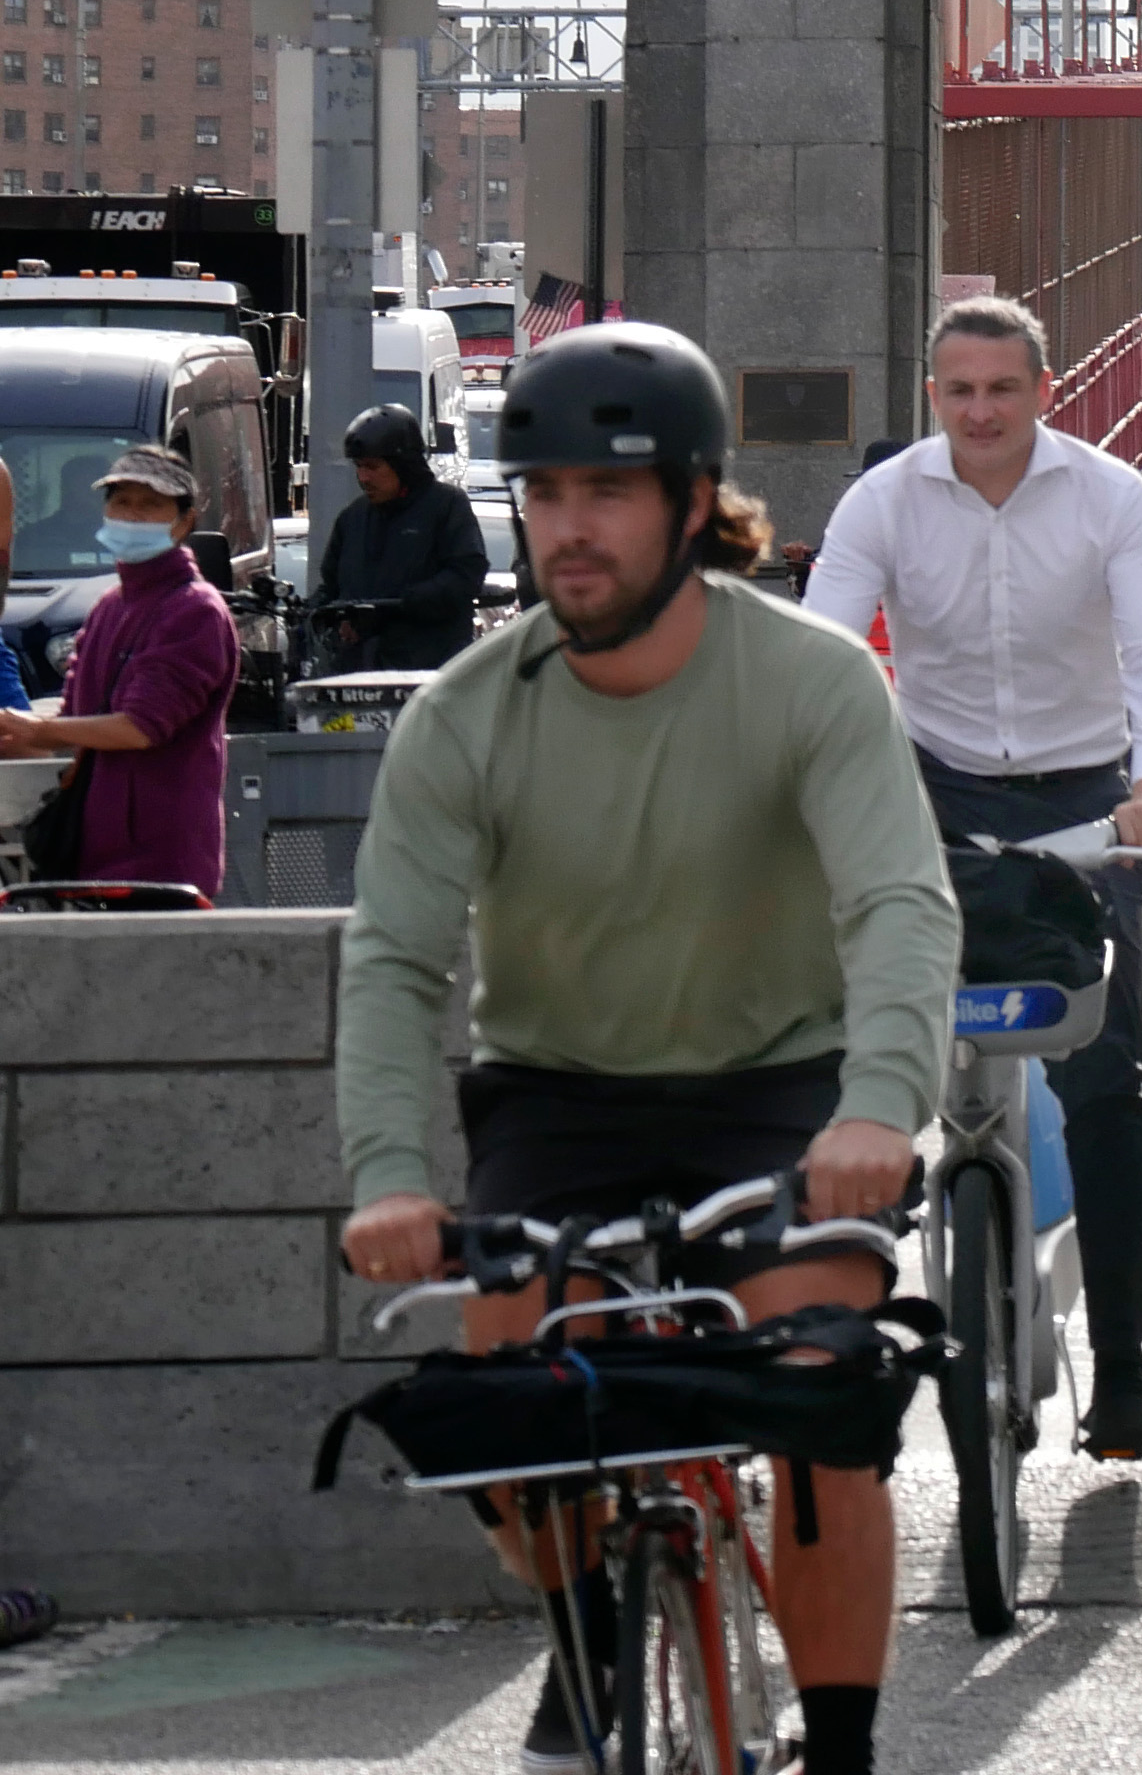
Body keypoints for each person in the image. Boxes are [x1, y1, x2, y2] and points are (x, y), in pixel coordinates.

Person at [332, 324, 958, 1775]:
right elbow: (395, 957)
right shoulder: (466, 716)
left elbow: (896, 906)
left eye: (605, 494)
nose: (570, 528)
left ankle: (847, 1745)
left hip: (780, 1097)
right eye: (542, 495)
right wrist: (386, 1175)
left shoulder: (810, 682)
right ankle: (592, 1621)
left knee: (820, 1393)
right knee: (517, 1403)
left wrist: (879, 1107)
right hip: (560, 1096)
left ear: (691, 504)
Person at [801, 296, 1142, 1458]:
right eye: (959, 390)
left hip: (1089, 798)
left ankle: (1121, 1367)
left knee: (1105, 1079)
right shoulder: (883, 500)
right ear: (934, 397)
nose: (982, 410)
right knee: (848, 1053)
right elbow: (824, 648)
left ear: (1045, 389)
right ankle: (836, 1331)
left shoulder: (1111, 496)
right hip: (933, 791)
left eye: (1003, 388)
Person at [0, 445, 239, 891]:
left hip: (164, 857)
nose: (132, 515)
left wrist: (39, 730)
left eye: (151, 505)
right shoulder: (109, 608)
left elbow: (140, 728)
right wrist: (21, 723)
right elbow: (76, 713)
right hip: (94, 851)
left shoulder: (195, 611)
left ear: (184, 522)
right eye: (122, 501)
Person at [311, 401, 490, 674]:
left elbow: (466, 574)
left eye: (372, 467)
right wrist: (320, 615)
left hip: (428, 679)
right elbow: (331, 586)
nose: (363, 477)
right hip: (356, 682)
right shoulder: (353, 518)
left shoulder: (447, 506)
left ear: (404, 464)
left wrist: (402, 603)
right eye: (359, 467)